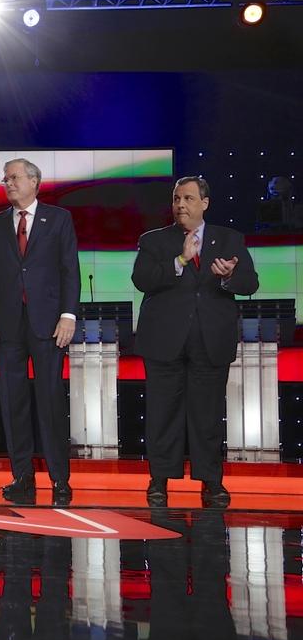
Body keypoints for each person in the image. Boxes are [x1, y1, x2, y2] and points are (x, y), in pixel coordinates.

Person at [133, 176, 258, 508]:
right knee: (162, 413)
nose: (180, 205)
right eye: (176, 199)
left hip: (210, 339)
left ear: (205, 203)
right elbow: (141, 280)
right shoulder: (154, 241)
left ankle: (211, 481)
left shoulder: (229, 239)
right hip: (164, 341)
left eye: (188, 198)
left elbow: (251, 282)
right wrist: (181, 260)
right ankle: (159, 479)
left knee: (207, 414)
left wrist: (230, 274)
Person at [0, 158, 80, 506]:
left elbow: (69, 270)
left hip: (49, 323)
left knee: (49, 400)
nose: (8, 183)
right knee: (12, 401)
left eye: (14, 177)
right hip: (6, 326)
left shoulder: (59, 219)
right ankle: (22, 476)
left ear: (35, 181)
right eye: (5, 179)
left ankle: (59, 479)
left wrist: (68, 315)